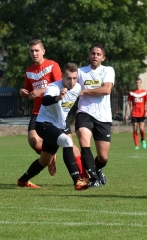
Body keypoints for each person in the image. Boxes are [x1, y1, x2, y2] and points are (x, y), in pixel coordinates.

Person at [17, 63, 88, 190]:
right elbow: (45, 100)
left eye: (74, 78)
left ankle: (23, 180)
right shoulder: (54, 87)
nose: (71, 81)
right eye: (68, 78)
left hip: (57, 127)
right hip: (43, 125)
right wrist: (58, 97)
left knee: (44, 161)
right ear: (62, 77)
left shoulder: (77, 87)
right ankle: (77, 181)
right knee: (67, 142)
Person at [75, 43, 115, 188]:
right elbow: (68, 84)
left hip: (103, 116)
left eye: (98, 54)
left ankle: (98, 169)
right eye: (93, 53)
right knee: (85, 143)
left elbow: (107, 89)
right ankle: (93, 178)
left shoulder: (108, 70)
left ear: (103, 58)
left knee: (103, 157)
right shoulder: (80, 72)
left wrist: (85, 91)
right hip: (84, 112)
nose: (95, 56)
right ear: (89, 55)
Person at [19, 39, 61, 176]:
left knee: (67, 142)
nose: (34, 53)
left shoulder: (52, 65)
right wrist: (23, 93)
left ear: (43, 51)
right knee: (33, 141)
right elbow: (28, 91)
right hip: (38, 111)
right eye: (31, 51)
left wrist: (41, 90)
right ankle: (51, 157)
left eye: (37, 50)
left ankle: (80, 175)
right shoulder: (29, 70)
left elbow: (59, 86)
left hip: (53, 111)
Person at [125, 78, 147, 150]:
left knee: (141, 128)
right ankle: (136, 145)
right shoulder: (131, 92)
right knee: (135, 129)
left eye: (139, 82)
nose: (137, 84)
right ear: (135, 83)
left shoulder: (145, 92)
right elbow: (128, 104)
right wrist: (126, 114)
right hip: (134, 113)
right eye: (136, 83)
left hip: (142, 113)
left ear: (141, 83)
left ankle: (143, 139)